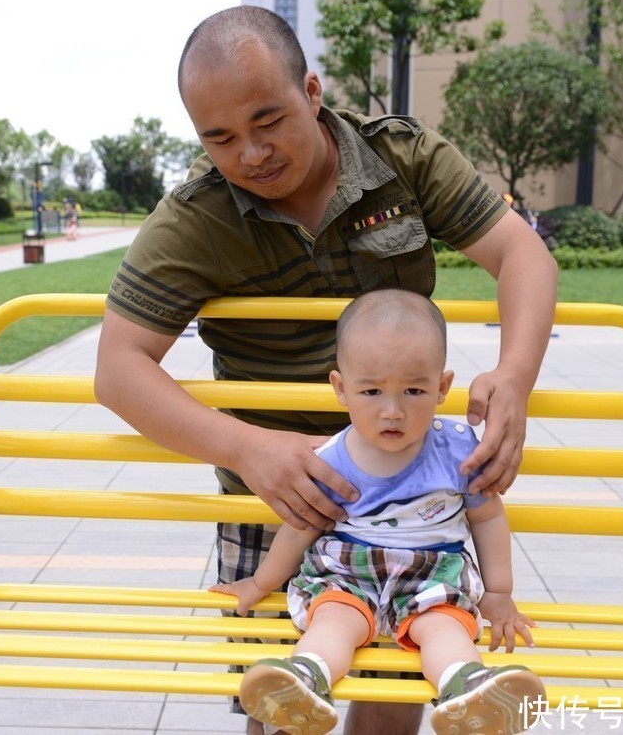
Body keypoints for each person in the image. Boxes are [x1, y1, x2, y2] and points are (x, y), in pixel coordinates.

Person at [94, 6, 557, 734]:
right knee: (282, 705)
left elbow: (521, 253)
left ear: (312, 90)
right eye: (219, 137)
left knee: (394, 698)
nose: (250, 153)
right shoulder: (196, 217)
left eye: (267, 119)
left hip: (408, 482)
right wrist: (249, 449)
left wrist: (516, 373)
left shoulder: (401, 160)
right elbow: (117, 369)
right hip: (278, 496)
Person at [210, 289, 544, 735]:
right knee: (334, 620)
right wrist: (261, 581)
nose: (393, 410)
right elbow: (300, 526)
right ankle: (306, 678)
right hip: (348, 573)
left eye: (414, 390)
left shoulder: (458, 451)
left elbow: (487, 517)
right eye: (371, 391)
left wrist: (498, 595)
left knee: (444, 628)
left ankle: (468, 689)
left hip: (432, 576)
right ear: (341, 389)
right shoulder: (331, 458)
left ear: (441, 388)